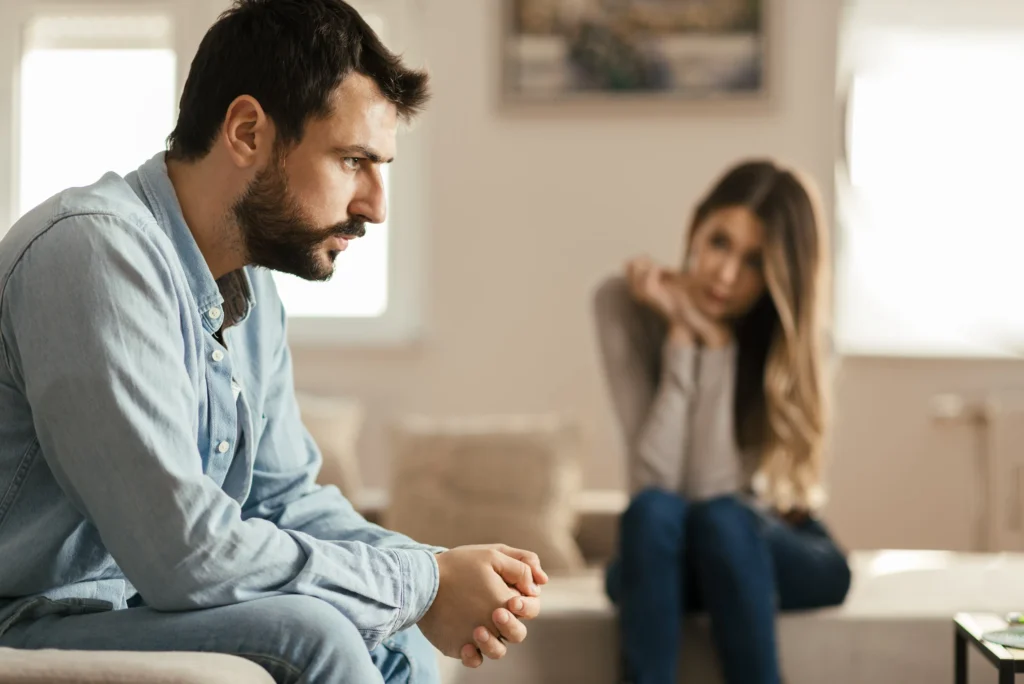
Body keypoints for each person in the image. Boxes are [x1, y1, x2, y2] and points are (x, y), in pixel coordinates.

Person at [0, 1, 548, 682]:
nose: (376, 204)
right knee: (311, 633)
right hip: (28, 615)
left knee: (396, 636)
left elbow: (285, 501)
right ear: (247, 131)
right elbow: (182, 554)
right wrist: (423, 583)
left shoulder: (248, 295)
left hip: (130, 606)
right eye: (354, 161)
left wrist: (435, 570)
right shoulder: (92, 254)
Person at [593, 160, 852, 684]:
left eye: (755, 262)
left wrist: (717, 343)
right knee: (651, 516)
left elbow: (715, 496)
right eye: (719, 243)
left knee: (722, 521)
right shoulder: (623, 304)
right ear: (695, 227)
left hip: (775, 539)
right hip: (666, 541)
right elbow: (660, 485)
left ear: (780, 274)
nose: (726, 274)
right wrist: (686, 340)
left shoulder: (796, 342)